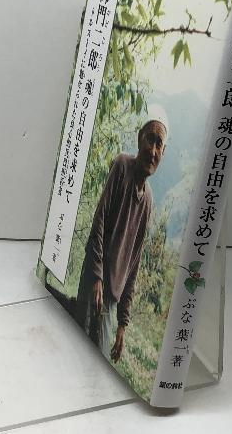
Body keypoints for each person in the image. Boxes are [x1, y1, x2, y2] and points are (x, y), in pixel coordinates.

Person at [75, 105, 169, 363]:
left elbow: (134, 263)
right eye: (150, 139)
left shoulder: (148, 200)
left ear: (163, 152)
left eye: (159, 144)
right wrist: (96, 276)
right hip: (93, 281)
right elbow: (100, 220)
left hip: (111, 299)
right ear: (140, 139)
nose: (152, 150)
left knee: (98, 361)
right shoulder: (121, 166)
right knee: (77, 350)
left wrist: (122, 325)